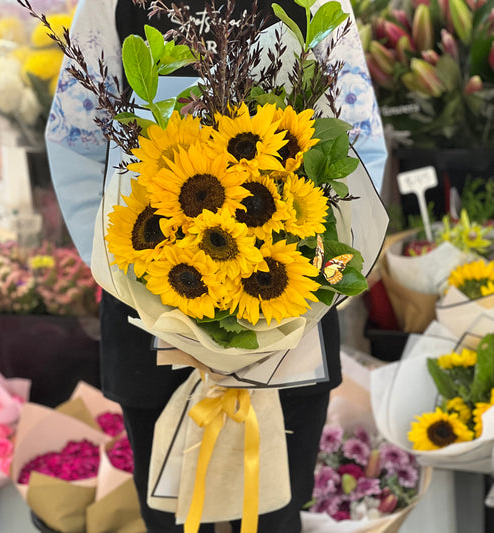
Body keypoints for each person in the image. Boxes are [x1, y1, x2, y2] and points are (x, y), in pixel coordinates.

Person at [45, 1, 387, 531]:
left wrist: (290, 297)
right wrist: (144, 283)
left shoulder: (317, 6)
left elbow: (356, 146)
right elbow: (78, 147)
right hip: (150, 318)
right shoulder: (112, 8)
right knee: (171, 514)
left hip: (290, 315)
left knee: (277, 509)